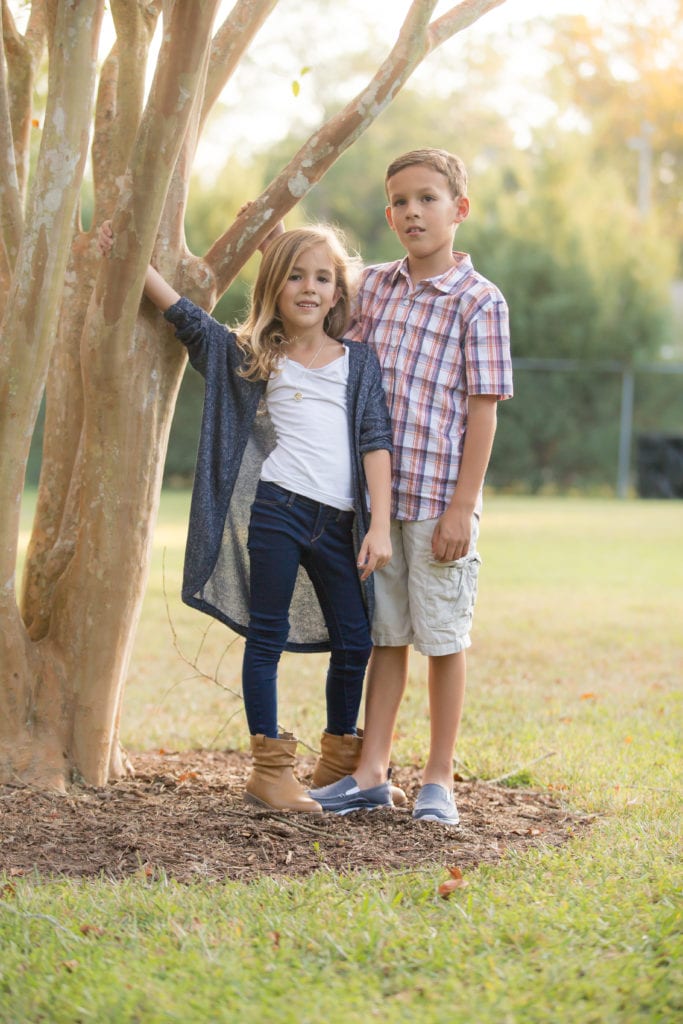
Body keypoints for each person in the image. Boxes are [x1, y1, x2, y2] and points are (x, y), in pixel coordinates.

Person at [98, 221, 393, 814]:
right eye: (294, 275)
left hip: (339, 524)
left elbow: (374, 440)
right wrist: (133, 257)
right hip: (277, 511)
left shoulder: (357, 362)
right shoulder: (257, 355)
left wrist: (380, 524)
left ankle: (337, 764)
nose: (309, 288)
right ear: (274, 288)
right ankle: (270, 772)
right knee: (267, 638)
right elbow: (190, 322)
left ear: (338, 292)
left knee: (355, 639)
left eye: (322, 278)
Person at [308, 148, 513, 825]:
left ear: (458, 209)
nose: (411, 212)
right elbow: (308, 304)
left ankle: (438, 780)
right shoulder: (372, 289)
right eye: (398, 201)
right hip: (376, 505)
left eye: (426, 198)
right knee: (385, 637)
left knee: (443, 641)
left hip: (437, 507)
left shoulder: (479, 302)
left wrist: (461, 508)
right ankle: (370, 771)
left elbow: (482, 410)